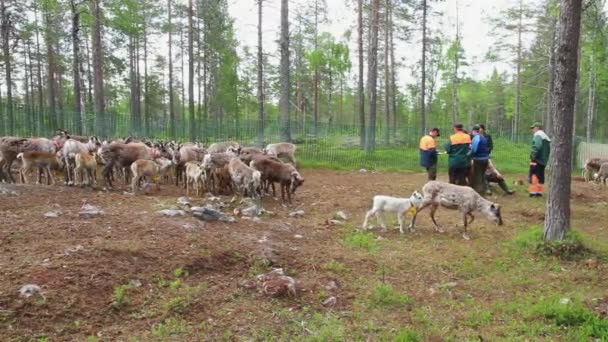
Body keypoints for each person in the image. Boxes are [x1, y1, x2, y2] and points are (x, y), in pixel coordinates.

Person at [529, 122, 551, 197]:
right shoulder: (545, 137)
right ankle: (539, 192)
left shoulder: (538, 135)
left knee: (534, 175)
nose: (532, 130)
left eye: (533, 128)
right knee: (541, 176)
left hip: (537, 159)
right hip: (543, 161)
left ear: (537, 128)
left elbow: (537, 146)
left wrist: (533, 155)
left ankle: (533, 192)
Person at [470, 125, 490, 195]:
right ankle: (484, 191)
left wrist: (469, 154)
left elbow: (474, 150)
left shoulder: (476, 138)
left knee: (478, 176)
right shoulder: (484, 138)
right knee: (482, 175)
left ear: (474, 131)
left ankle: (479, 193)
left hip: (478, 160)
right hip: (485, 159)